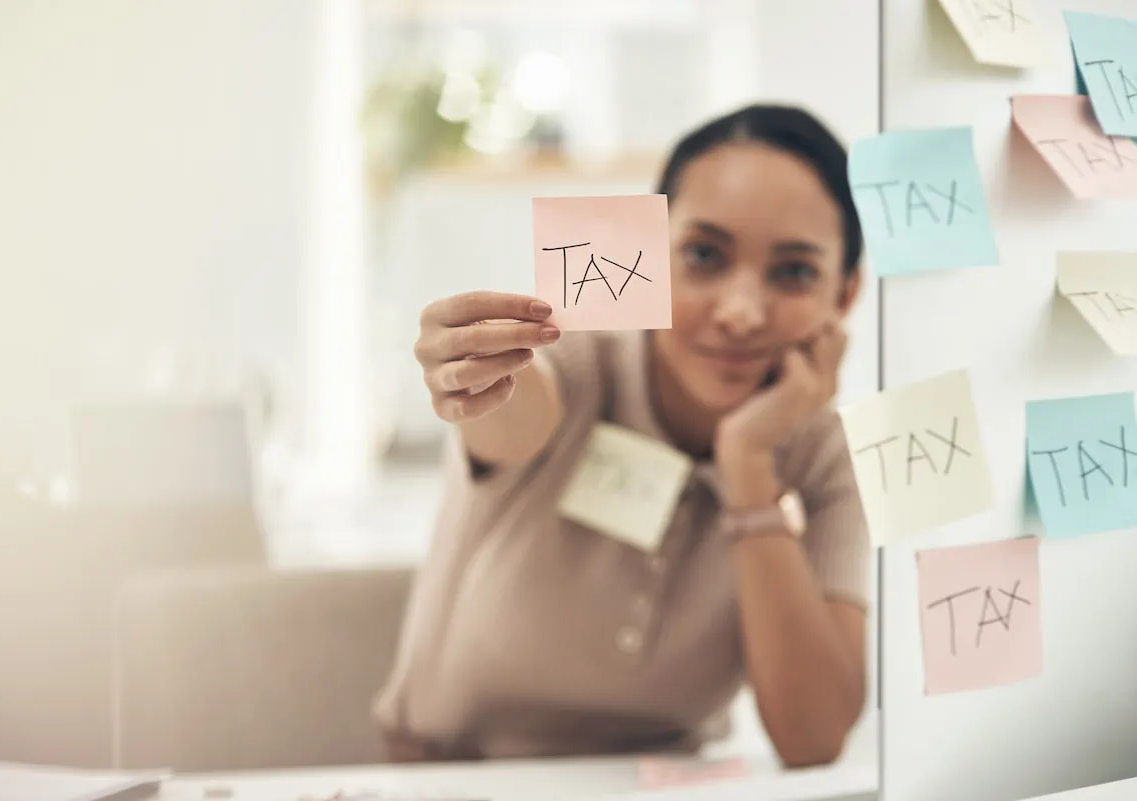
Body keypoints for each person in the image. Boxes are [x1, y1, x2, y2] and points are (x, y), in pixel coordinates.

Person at [373, 104, 870, 767]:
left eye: (793, 272)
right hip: (454, 775)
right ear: (649, 257)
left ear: (844, 295)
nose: (741, 313)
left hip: (669, 781)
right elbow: (512, 415)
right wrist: (474, 376)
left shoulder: (824, 452)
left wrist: (749, 464)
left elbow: (814, 738)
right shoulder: (581, 361)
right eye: (702, 256)